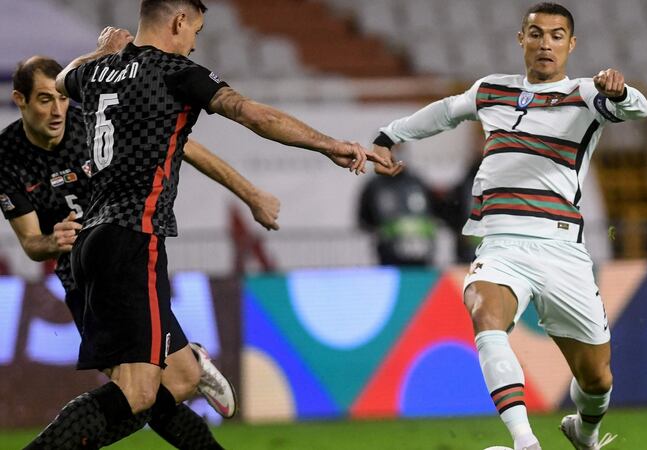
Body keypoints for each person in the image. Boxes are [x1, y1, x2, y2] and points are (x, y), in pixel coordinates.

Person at [24, 0, 385, 447]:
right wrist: (328, 144)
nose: (195, 42)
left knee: (169, 385)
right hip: (134, 239)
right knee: (138, 393)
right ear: (178, 21)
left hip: (88, 245)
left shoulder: (96, 72)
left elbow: (62, 78)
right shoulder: (177, 72)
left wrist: (104, 51)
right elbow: (256, 115)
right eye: (196, 29)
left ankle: (191, 365)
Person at [370, 3, 647, 449]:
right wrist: (389, 135)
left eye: (557, 36)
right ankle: (525, 441)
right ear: (521, 39)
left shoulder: (585, 94)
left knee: (597, 378)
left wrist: (619, 91)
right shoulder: (492, 90)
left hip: (561, 248)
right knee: (485, 316)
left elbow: (638, 109)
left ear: (571, 45)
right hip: (500, 243)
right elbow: (445, 111)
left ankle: (585, 430)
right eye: (536, 34)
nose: (546, 44)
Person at [0, 55, 274, 446]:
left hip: (122, 256)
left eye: (61, 98)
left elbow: (187, 148)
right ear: (20, 100)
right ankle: (190, 363)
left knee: (144, 390)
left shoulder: (90, 123)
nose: (58, 109)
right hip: (81, 280)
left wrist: (250, 194)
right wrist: (51, 241)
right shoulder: (7, 158)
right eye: (45, 100)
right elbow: (31, 243)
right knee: (148, 392)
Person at [358, 167, 437, 266]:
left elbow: (434, 212)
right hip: (389, 257)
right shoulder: (374, 185)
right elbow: (364, 220)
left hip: (422, 258)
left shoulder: (417, 181)